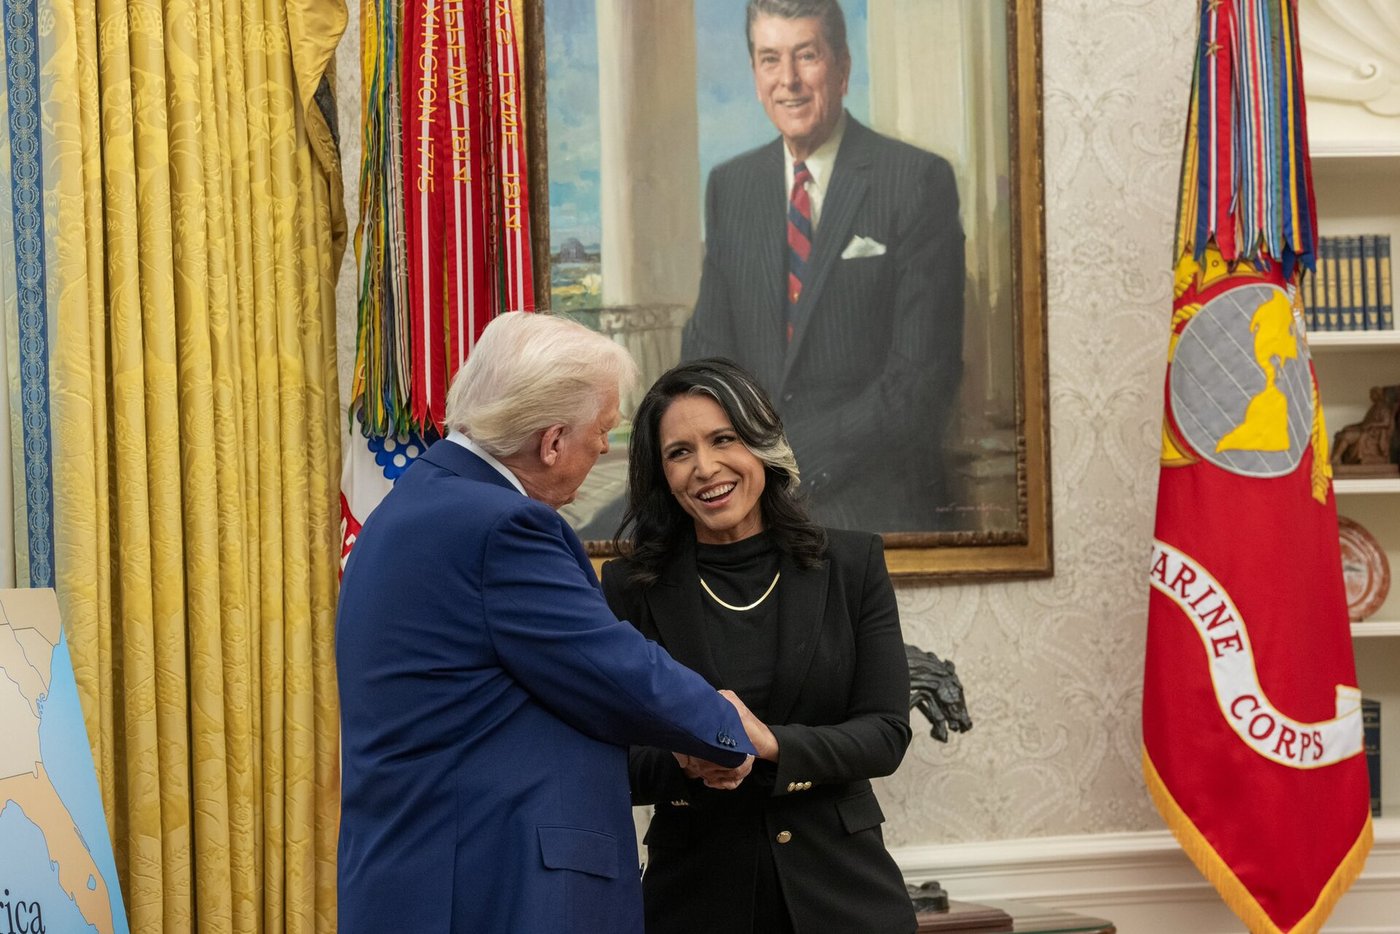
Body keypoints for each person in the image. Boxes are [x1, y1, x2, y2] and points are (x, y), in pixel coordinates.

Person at [336, 312, 759, 934]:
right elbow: (608, 665)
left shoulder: (418, 501)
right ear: (553, 441)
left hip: (428, 880)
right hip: (493, 889)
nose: (605, 448)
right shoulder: (500, 526)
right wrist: (724, 727)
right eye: (602, 431)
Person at [601, 358, 916, 934]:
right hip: (694, 901)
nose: (705, 468)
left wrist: (770, 744)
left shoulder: (852, 565)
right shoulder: (630, 588)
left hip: (845, 897)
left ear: (763, 446)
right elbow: (609, 759)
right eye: (680, 452)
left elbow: (886, 734)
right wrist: (688, 759)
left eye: (724, 439)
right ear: (662, 474)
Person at [682, 0, 966, 532]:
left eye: (806, 55)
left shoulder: (915, 181)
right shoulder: (730, 186)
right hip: (741, 485)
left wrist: (775, 462)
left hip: (868, 486)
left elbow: (918, 385)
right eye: (770, 59)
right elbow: (705, 358)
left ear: (842, 67)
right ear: (755, 73)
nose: (788, 80)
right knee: (606, 543)